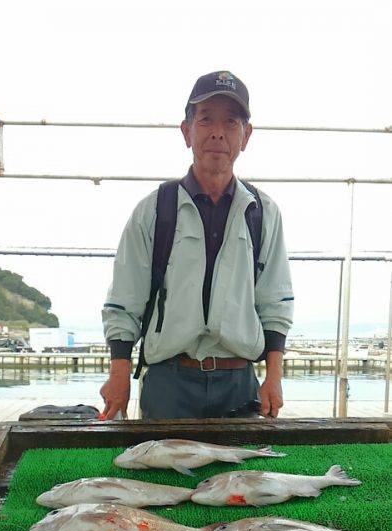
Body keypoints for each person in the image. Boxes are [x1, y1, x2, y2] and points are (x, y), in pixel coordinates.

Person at [101, 70, 294, 420]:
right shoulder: (153, 210)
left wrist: (274, 377)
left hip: (239, 381)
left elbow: (275, 302)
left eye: (231, 122)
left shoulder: (263, 213)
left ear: (246, 135)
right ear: (187, 131)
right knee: (157, 476)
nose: (218, 132)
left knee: (242, 475)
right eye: (206, 120)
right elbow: (124, 300)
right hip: (167, 382)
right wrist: (119, 374)